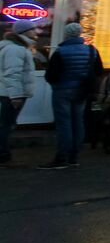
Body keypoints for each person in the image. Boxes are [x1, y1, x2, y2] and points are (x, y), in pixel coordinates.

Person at [41, 22, 103, 169]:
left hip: (62, 90)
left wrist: (56, 84)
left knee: (64, 123)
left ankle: (62, 157)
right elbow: (99, 70)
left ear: (66, 34)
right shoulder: (91, 50)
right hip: (81, 91)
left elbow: (51, 74)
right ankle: (74, 157)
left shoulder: (61, 52)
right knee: (78, 122)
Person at [1, 26, 37, 166]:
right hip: (10, 94)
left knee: (6, 124)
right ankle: (3, 157)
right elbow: (12, 74)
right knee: (6, 125)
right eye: (32, 29)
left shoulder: (15, 47)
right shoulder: (16, 49)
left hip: (7, 93)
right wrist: (16, 96)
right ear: (24, 32)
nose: (35, 32)